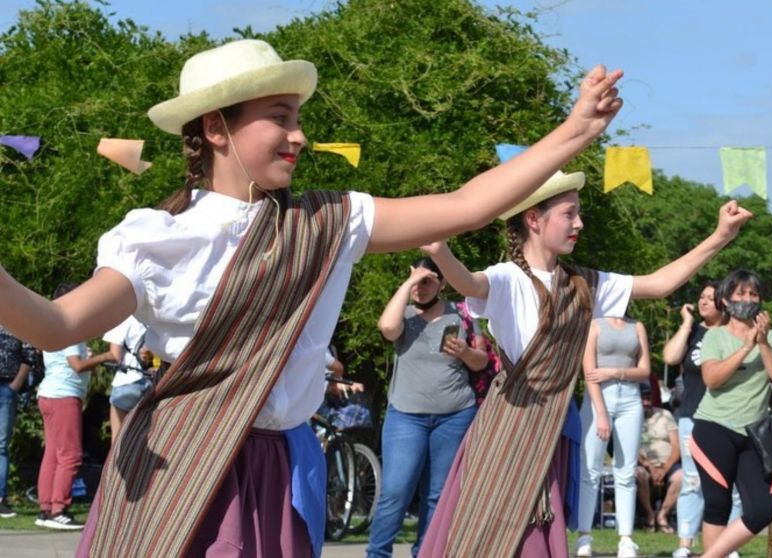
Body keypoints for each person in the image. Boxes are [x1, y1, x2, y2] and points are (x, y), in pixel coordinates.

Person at [0, 39, 624, 556]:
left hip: (277, 466)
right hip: (181, 466)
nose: (299, 136)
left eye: (298, 118)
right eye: (280, 116)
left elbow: (464, 206)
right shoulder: (158, 238)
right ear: (216, 128)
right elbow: (57, 325)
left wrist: (574, 132)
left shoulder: (328, 221)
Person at [418, 187, 751, 557]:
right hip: (506, 430)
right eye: (569, 213)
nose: (579, 223)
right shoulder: (507, 278)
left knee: (532, 537)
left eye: (578, 213)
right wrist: (440, 252)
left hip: (551, 433)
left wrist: (720, 236)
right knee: (485, 531)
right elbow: (469, 283)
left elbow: (659, 284)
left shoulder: (584, 284)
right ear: (533, 219)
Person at [367, 257, 488, 557]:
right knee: (395, 491)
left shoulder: (462, 314)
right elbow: (386, 327)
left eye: (427, 281)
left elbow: (482, 361)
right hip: (406, 417)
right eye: (416, 282)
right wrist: (408, 282)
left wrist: (465, 352)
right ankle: (377, 553)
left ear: (443, 283)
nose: (420, 289)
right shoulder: (404, 316)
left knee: (438, 496)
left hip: (455, 416)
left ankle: (427, 553)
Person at [691, 270, 772, 558]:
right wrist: (745, 346)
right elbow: (712, 378)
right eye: (741, 293)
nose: (747, 300)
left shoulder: (771, 338)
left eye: (753, 294)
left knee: (761, 509)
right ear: (726, 299)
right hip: (713, 429)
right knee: (717, 506)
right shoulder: (715, 336)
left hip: (753, 435)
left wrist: (761, 344)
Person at [662, 282, 741, 558]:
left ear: (724, 303)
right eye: (702, 297)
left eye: (711, 298)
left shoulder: (733, 334)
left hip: (727, 419)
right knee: (692, 481)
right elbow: (670, 357)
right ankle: (685, 545)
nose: (704, 302)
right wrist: (686, 324)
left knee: (729, 485)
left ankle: (726, 547)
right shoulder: (694, 332)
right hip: (692, 417)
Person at [35, 283, 116, 530]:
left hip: (49, 392)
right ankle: (60, 509)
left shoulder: (53, 325)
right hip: (64, 395)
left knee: (53, 454)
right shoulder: (71, 326)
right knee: (70, 454)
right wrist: (107, 356)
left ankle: (46, 508)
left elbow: (70, 359)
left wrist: (86, 356)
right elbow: (77, 366)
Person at [575, 315, 651, 555]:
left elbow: (645, 370)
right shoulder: (594, 325)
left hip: (630, 399)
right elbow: (589, 373)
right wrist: (601, 413)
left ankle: (626, 538)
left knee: (626, 471)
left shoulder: (637, 325)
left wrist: (614, 372)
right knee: (590, 470)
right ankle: (584, 537)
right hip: (598, 400)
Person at [635, 384, 681, 535]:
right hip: (643, 463)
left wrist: (664, 469)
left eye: (649, 399)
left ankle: (662, 515)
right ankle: (649, 515)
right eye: (643, 399)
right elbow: (630, 448)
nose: (646, 403)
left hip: (667, 463)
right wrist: (651, 467)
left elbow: (677, 447)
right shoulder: (631, 418)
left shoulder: (665, 415)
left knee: (681, 477)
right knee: (639, 474)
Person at [102, 316, 154, 442]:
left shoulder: (123, 319)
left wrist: (91, 361)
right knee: (143, 440)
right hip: (151, 383)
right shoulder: (153, 319)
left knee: (117, 441)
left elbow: (115, 356)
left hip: (126, 382)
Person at [0, 324, 31, 519]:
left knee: (1, 444)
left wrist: (14, 386)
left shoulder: (17, 322)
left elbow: (29, 356)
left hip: (7, 386)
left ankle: (0, 499)